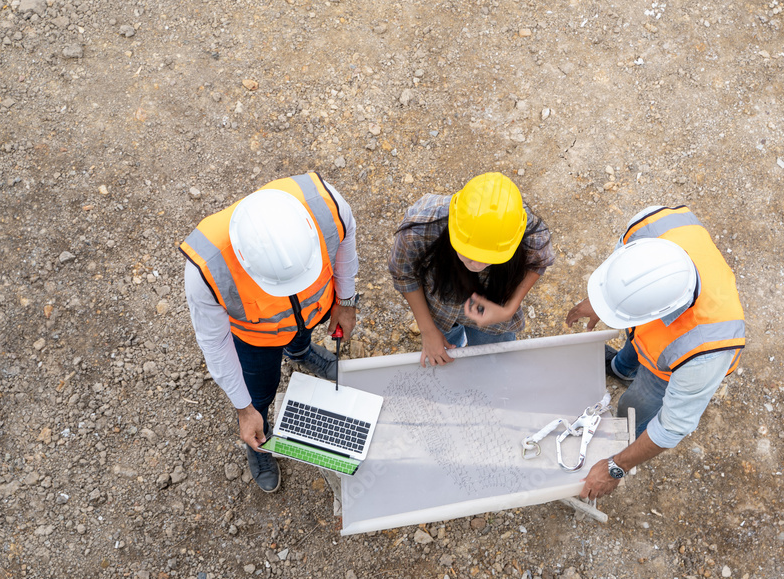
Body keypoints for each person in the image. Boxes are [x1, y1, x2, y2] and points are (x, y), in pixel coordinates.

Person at [180, 172, 359, 493]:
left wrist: (346, 301)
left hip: (312, 311)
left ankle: (300, 352)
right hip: (255, 339)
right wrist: (244, 409)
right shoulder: (206, 268)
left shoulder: (327, 206)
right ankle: (259, 439)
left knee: (302, 334)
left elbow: (346, 242)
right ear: (245, 261)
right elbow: (216, 345)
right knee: (259, 391)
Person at [565, 205, 746, 500]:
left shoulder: (704, 353)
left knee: (636, 403)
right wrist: (604, 299)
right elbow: (623, 266)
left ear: (661, 313)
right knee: (635, 347)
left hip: (670, 365)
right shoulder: (654, 224)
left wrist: (615, 466)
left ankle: (624, 437)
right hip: (654, 335)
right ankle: (622, 369)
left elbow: (671, 428)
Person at [389, 173, 554, 367]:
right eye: (469, 254)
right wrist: (428, 331)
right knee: (448, 356)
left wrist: (508, 310)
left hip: (493, 321)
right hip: (439, 313)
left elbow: (540, 261)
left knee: (493, 366)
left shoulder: (526, 231)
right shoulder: (421, 224)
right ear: (453, 227)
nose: (476, 265)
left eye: (489, 259)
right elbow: (403, 274)